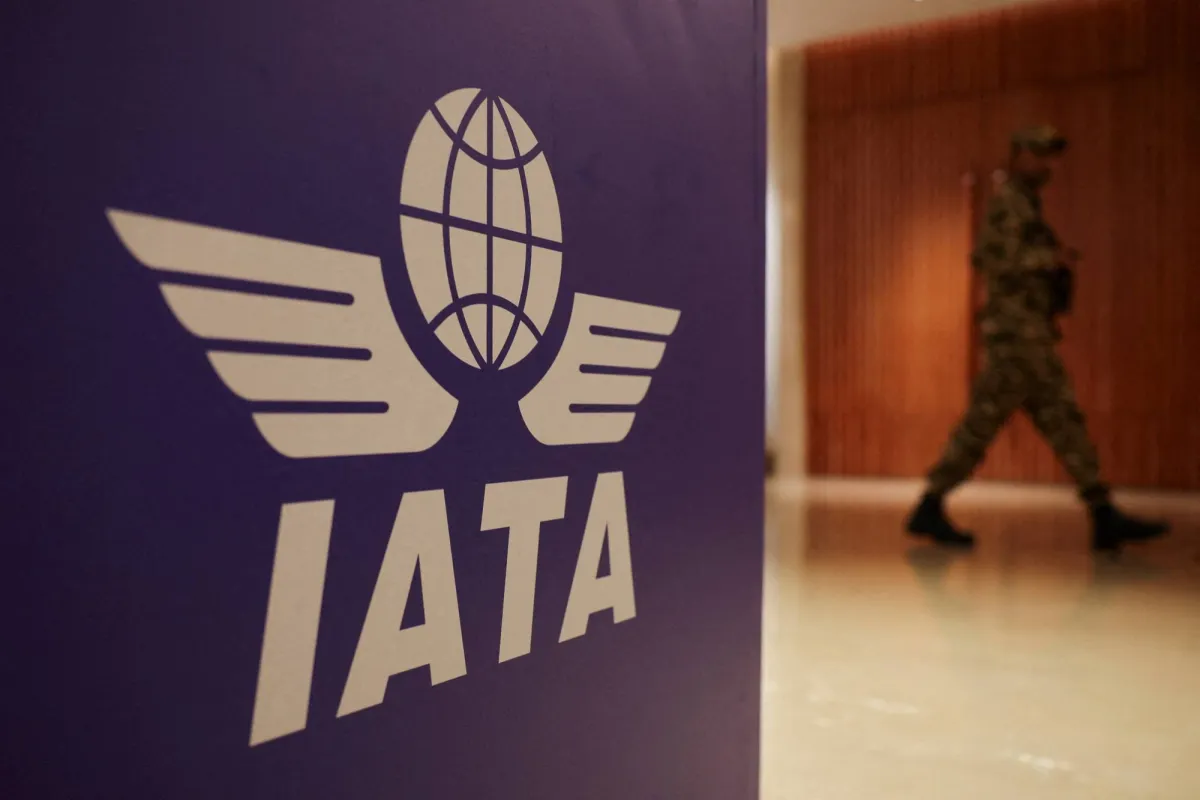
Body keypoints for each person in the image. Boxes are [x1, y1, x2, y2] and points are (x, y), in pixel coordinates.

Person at [906, 125, 1169, 552]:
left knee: (1051, 419)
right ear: (1017, 155)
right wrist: (1052, 258)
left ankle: (1101, 512)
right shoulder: (1009, 203)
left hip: (1028, 334)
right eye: (1038, 155)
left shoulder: (1026, 204)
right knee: (1007, 422)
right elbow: (991, 259)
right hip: (1017, 338)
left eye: (1050, 157)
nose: (1046, 165)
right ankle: (932, 504)